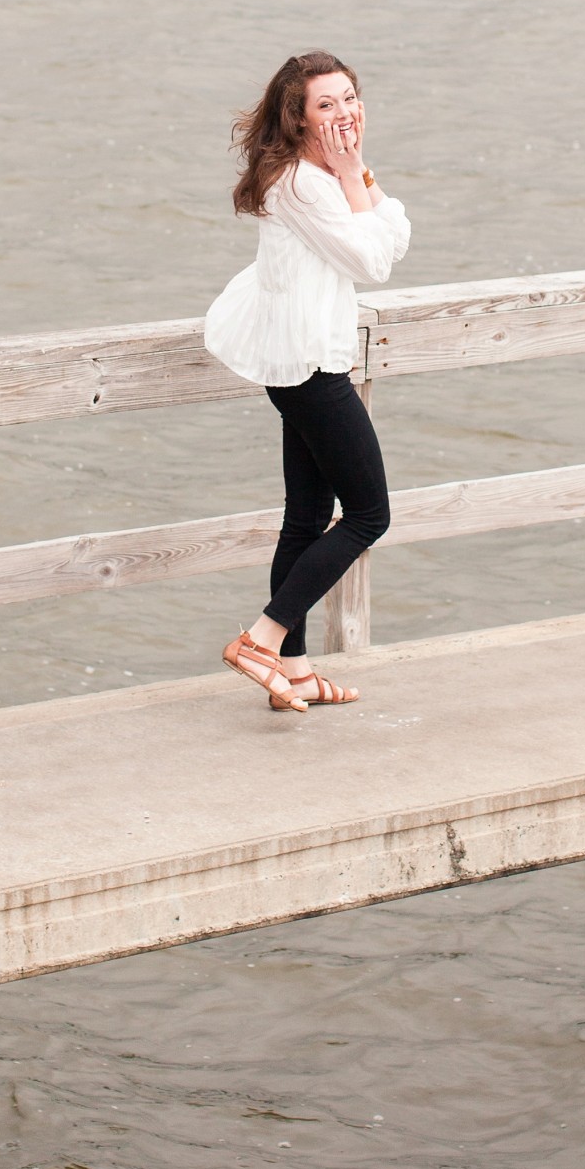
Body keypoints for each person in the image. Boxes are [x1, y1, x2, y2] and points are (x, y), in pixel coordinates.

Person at [204, 51, 410, 713]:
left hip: (305, 362)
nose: (344, 113)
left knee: (308, 516)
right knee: (370, 513)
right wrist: (354, 180)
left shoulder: (328, 176)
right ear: (297, 118)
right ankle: (262, 640)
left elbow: (395, 238)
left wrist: (358, 174)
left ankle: (289, 672)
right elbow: (375, 260)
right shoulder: (301, 184)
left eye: (349, 97)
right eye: (326, 104)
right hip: (309, 370)